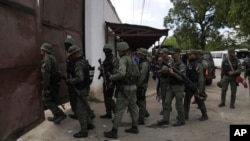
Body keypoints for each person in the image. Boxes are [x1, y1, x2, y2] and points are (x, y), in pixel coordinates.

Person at [104, 42, 140, 139]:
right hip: (133, 87)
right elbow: (137, 73)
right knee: (133, 107)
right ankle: (134, 127)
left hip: (125, 88)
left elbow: (121, 73)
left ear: (120, 51)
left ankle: (114, 131)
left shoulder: (123, 60)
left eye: (118, 50)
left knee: (119, 110)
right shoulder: (132, 60)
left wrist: (112, 78)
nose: (118, 52)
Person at [65, 45, 95, 138]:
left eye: (71, 54)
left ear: (74, 53)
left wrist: (69, 81)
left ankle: (84, 131)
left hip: (80, 89)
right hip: (85, 87)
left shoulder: (78, 63)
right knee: (84, 107)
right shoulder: (84, 61)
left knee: (80, 110)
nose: (70, 56)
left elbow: (80, 78)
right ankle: (90, 124)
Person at [64, 36, 95, 119]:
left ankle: (83, 116)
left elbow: (76, 72)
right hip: (78, 81)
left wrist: (70, 81)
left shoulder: (75, 58)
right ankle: (86, 114)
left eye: (68, 45)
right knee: (81, 100)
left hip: (77, 82)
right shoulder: (76, 57)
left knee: (78, 101)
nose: (66, 47)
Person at [157, 47, 186, 126]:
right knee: (166, 103)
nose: (172, 55)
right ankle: (165, 119)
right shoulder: (172, 64)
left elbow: (181, 78)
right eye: (171, 53)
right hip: (171, 86)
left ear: (178, 54)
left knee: (178, 105)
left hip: (178, 87)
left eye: (173, 53)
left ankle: (181, 120)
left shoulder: (181, 65)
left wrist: (173, 73)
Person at [40, 43, 66, 124]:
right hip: (54, 84)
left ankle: (60, 114)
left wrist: (45, 88)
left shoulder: (47, 60)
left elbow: (46, 76)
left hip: (50, 84)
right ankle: (56, 116)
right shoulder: (52, 58)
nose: (40, 51)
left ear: (44, 51)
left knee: (46, 101)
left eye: (41, 49)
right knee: (52, 100)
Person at [184, 50, 208, 121]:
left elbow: (201, 77)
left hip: (196, 85)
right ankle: (185, 115)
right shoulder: (189, 64)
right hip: (189, 85)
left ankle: (205, 115)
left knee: (199, 100)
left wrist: (200, 88)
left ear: (194, 55)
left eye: (190, 54)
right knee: (186, 101)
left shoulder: (198, 64)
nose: (189, 56)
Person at [98, 44, 119, 119]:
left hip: (111, 81)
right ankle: (108, 113)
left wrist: (112, 81)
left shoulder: (113, 59)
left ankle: (116, 112)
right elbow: (105, 68)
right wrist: (101, 68)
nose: (106, 52)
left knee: (109, 98)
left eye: (107, 51)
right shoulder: (107, 59)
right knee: (106, 97)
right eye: (105, 51)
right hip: (106, 80)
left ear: (110, 51)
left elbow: (116, 71)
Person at [136, 48, 151, 125]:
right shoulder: (142, 62)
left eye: (140, 54)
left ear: (143, 55)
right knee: (140, 100)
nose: (138, 55)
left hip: (141, 85)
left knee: (140, 101)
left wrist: (137, 85)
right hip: (141, 85)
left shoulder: (144, 64)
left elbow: (142, 76)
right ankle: (145, 113)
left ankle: (141, 119)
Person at [157, 48, 174, 115]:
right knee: (163, 95)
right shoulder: (162, 60)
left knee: (165, 96)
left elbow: (167, 69)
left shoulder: (170, 60)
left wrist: (161, 71)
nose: (161, 54)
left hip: (167, 79)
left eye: (162, 53)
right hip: (162, 79)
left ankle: (166, 109)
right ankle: (167, 108)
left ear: (166, 53)